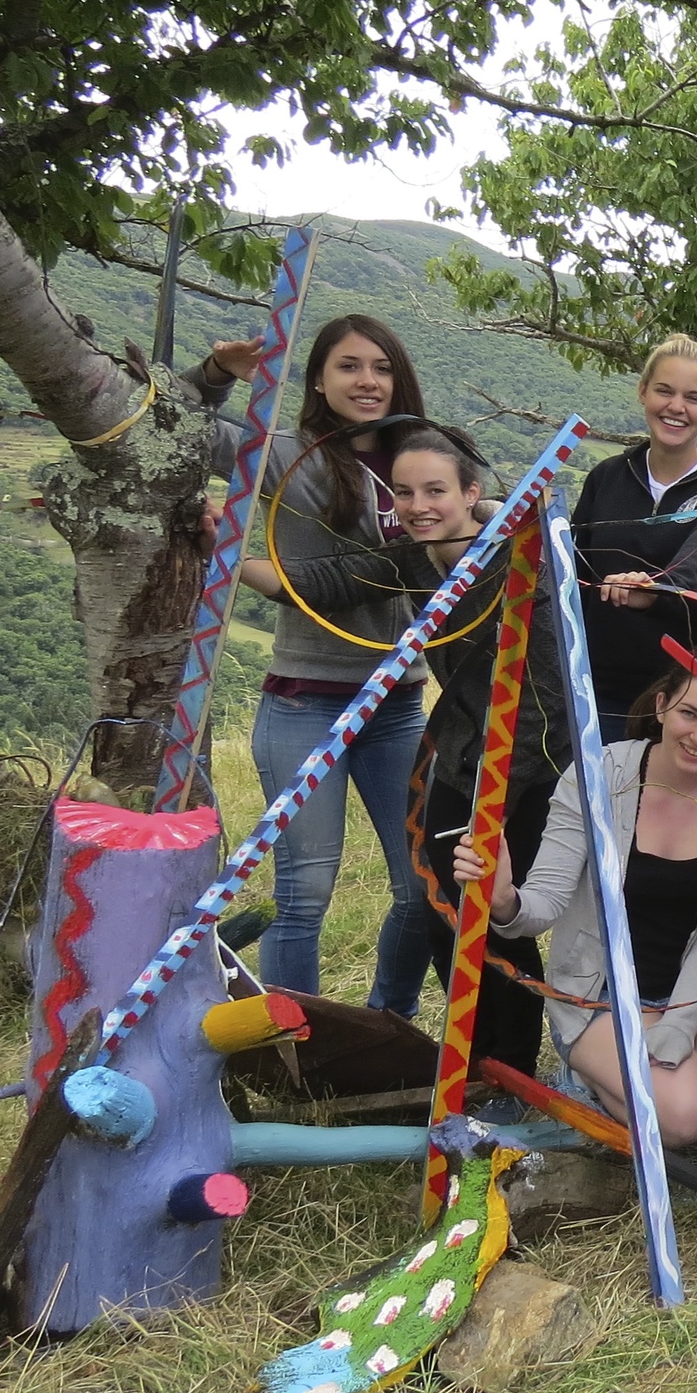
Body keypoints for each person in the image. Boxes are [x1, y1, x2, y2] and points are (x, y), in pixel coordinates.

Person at [240, 427, 564, 1075]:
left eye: (436, 490)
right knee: (443, 912)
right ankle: (474, 1060)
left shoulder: (525, 556)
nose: (419, 505)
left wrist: (495, 793)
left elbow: (548, 692)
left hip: (531, 762)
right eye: (406, 493)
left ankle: (514, 1064)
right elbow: (331, 581)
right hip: (460, 748)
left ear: (472, 493)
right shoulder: (414, 558)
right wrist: (223, 558)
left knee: (496, 911)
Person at [196, 314, 437, 1003]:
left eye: (381, 366)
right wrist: (214, 375)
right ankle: (295, 1048)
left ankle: (387, 1021)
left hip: (399, 705)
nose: (367, 380)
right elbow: (179, 436)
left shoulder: (422, 458)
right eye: (349, 366)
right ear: (319, 380)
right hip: (307, 700)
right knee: (305, 893)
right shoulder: (286, 453)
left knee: (423, 888)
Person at [455, 647, 697, 1158]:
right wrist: (504, 900)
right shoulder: (599, 775)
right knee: (686, 1116)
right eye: (689, 714)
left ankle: (647, 1084)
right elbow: (543, 903)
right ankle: (591, 1072)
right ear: (662, 705)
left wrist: (679, 1025)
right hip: (600, 995)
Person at [569, 335, 697, 741]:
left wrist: (659, 591)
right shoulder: (606, 478)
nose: (676, 407)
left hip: (694, 693)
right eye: (664, 391)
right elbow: (571, 569)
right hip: (601, 690)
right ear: (643, 393)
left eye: (693, 397)